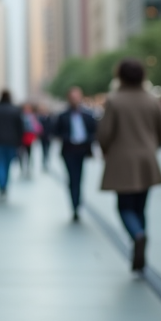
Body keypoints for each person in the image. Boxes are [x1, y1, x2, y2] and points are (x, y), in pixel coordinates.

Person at [98, 59, 161, 272]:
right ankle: (140, 241)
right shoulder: (152, 100)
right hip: (146, 160)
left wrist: (106, 149)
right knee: (140, 206)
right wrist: (151, 146)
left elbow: (104, 133)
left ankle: (137, 236)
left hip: (122, 160)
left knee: (124, 206)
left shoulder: (115, 101)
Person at [55, 87, 98, 223]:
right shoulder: (63, 116)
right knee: (73, 178)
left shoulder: (88, 115)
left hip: (83, 150)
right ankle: (75, 205)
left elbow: (95, 131)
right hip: (69, 150)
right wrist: (67, 138)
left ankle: (78, 201)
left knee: (79, 178)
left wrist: (88, 141)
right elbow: (56, 131)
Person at [0, 90, 24, 200]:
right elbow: (20, 128)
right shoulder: (15, 110)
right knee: (7, 165)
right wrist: (19, 142)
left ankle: (2, 186)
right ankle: (4, 185)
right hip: (11, 142)